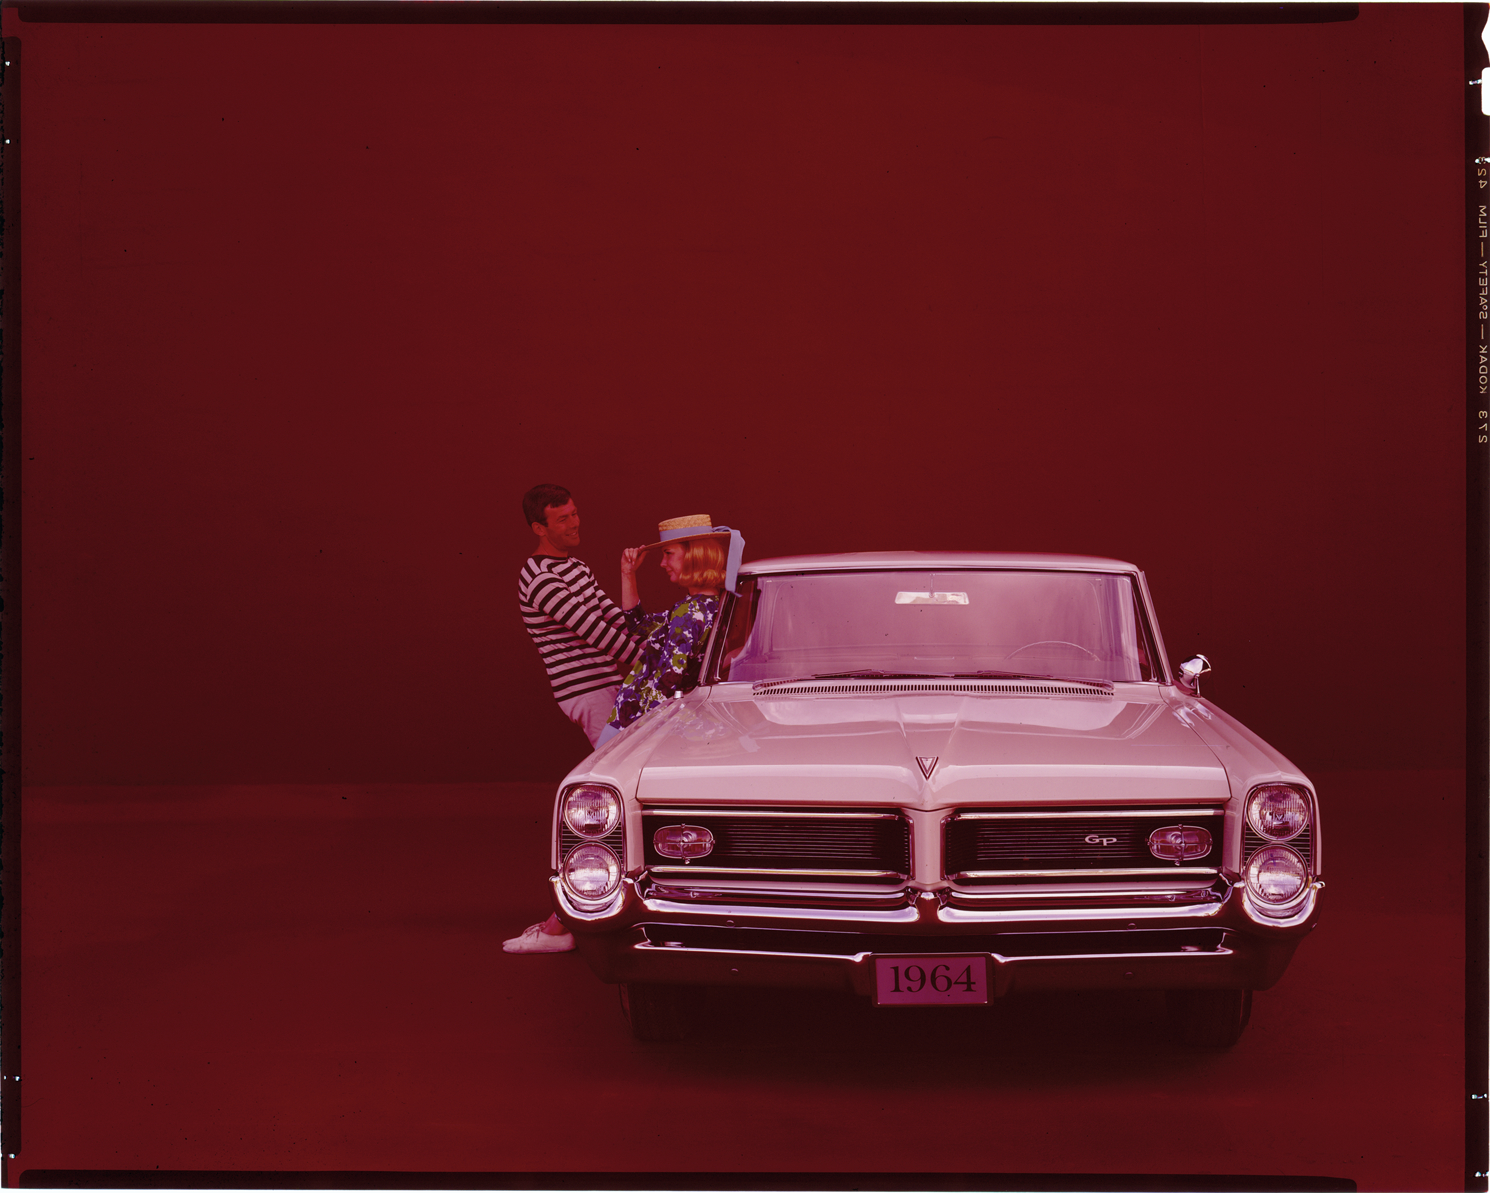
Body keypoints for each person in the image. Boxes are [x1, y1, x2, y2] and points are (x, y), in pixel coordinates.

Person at [504, 512, 744, 955]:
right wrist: (627, 576)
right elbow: (638, 627)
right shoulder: (702, 609)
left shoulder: (693, 614)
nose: (663, 563)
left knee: (593, 817)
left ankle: (563, 923)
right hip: (636, 725)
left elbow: (668, 683)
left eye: (670, 554)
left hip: (634, 728)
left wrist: (634, 736)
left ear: (695, 557)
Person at [505, 484, 642, 955]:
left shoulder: (576, 568)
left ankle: (571, 919)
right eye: (562, 519)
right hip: (590, 694)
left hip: (614, 688)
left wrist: (657, 648)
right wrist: (655, 662)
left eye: (575, 513)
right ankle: (561, 923)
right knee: (609, 799)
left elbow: (614, 620)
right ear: (538, 528)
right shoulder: (540, 578)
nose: (574, 523)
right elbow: (596, 633)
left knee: (624, 794)